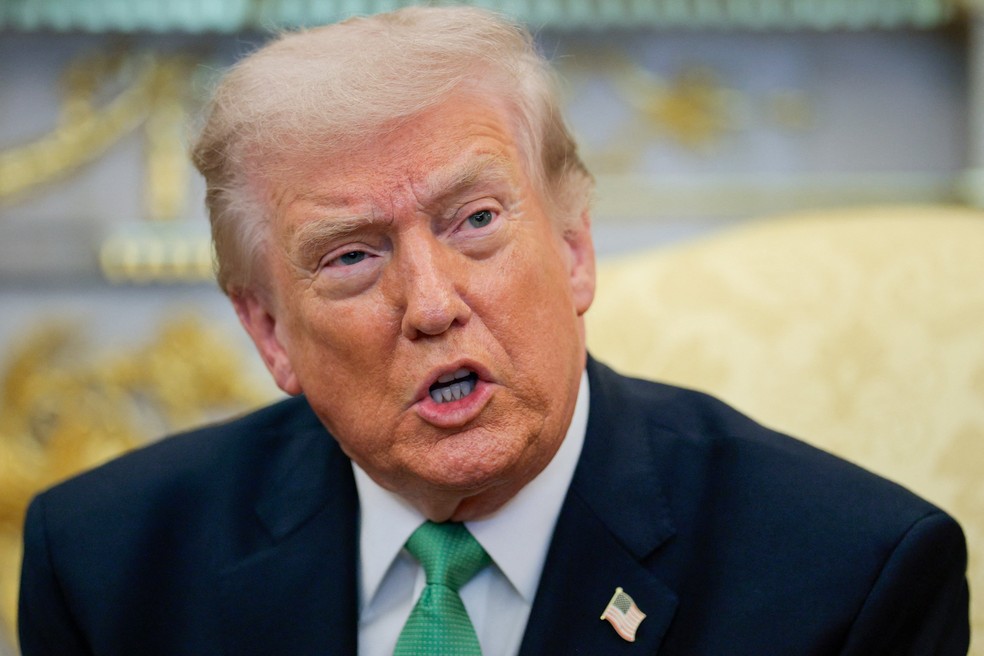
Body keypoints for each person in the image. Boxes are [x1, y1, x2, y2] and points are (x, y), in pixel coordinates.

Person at [18, 6, 969, 656]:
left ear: (573, 248)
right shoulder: (109, 567)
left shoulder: (852, 577)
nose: (432, 306)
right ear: (269, 331)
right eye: (352, 257)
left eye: (475, 222)